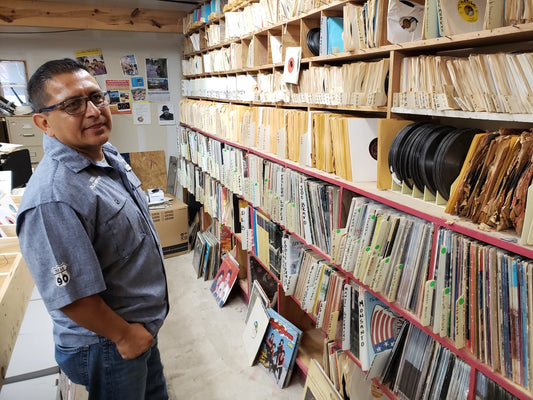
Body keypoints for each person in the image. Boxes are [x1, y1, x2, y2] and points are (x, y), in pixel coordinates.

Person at [16, 58, 169, 400]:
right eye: (72, 104)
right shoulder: (53, 197)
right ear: (44, 122)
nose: (93, 110)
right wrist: (125, 336)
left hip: (138, 327)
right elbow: (72, 296)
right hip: (107, 343)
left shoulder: (104, 154)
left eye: (96, 97)